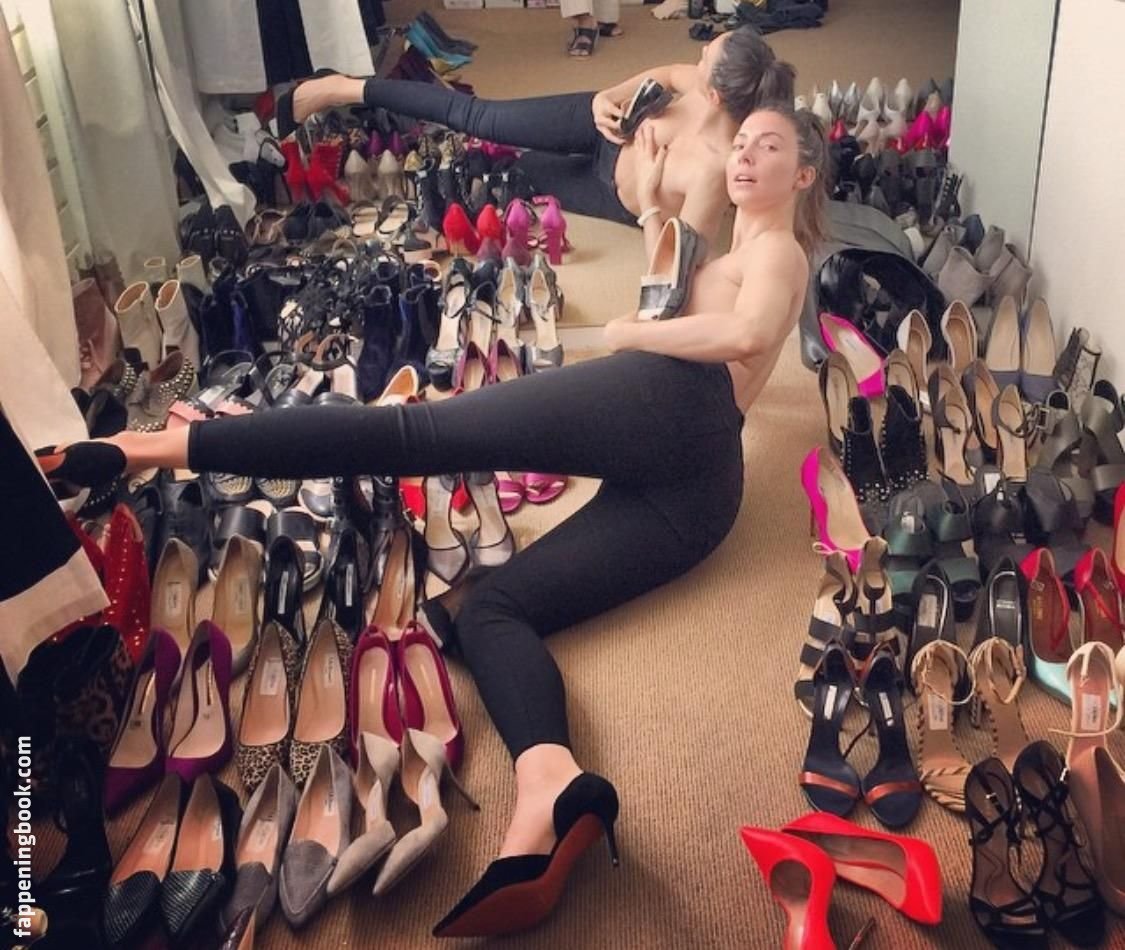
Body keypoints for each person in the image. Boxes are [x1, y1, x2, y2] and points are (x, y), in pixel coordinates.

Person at [37, 104, 827, 939]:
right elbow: (646, 201)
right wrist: (650, 166)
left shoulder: (777, 252)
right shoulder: (721, 232)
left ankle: (149, 447)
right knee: (487, 613)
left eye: (769, 146)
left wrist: (632, 330)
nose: (745, 155)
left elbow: (750, 330)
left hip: (679, 405)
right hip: (699, 495)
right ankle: (550, 783)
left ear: (804, 174)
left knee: (412, 435)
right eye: (741, 142)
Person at [277, 27, 796, 242]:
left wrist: (650, 194)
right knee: (479, 118)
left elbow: (678, 268)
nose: (697, 55)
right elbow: (650, 79)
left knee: (504, 174)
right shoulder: (693, 83)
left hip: (606, 191)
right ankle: (343, 88)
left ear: (716, 96)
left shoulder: (716, 167)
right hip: (599, 129)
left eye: (706, 57)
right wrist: (607, 98)